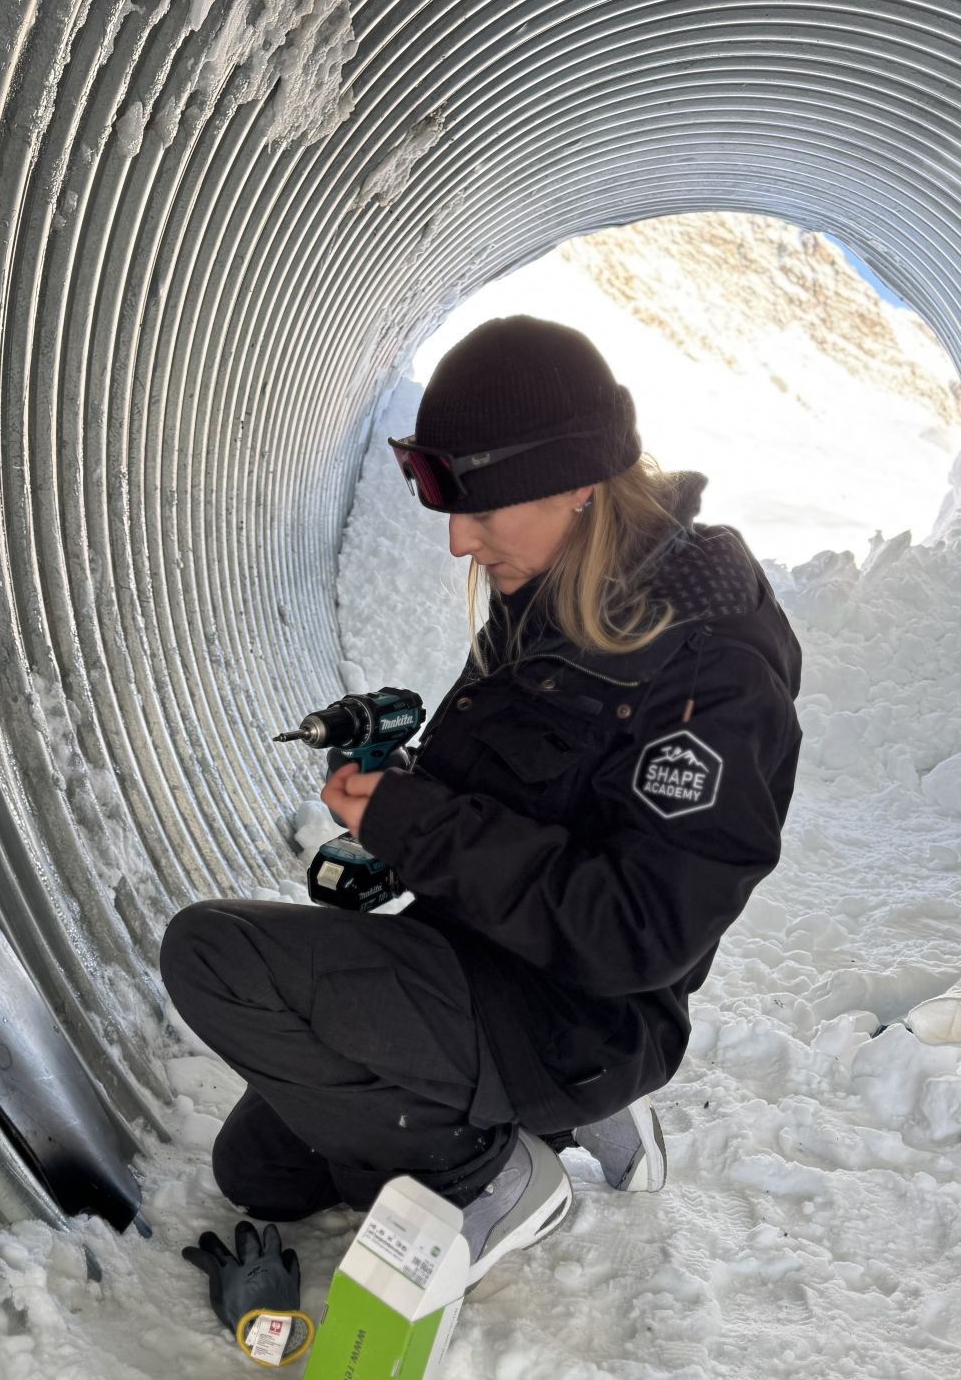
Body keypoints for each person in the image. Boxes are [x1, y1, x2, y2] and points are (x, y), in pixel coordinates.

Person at [161, 315, 803, 1287]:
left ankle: (494, 1171)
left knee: (210, 954)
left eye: (480, 504)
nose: (459, 539)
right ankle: (562, 1117)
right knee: (260, 1169)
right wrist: (397, 811)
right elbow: (498, 785)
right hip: (475, 955)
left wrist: (416, 824)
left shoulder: (713, 671)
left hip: (580, 1011)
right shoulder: (549, 583)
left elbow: (638, 930)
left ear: (577, 480)